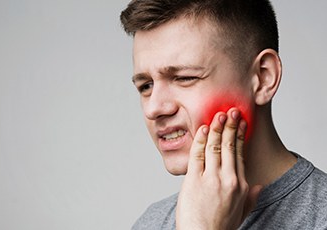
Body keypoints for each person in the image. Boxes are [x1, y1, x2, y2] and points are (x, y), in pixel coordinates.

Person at [120, 0, 327, 229]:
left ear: (263, 77)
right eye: (145, 86)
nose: (154, 109)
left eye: (184, 78)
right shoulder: (150, 222)